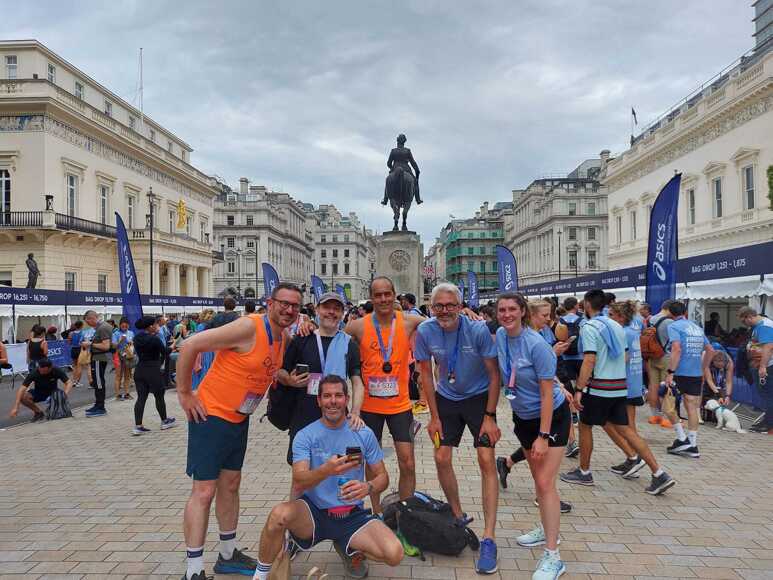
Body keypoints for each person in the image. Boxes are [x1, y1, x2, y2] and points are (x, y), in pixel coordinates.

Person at [175, 283, 303, 580]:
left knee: (231, 485)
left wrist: (287, 379)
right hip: (210, 416)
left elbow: (267, 367)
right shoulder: (249, 327)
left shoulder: (282, 337)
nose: (289, 310)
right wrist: (185, 393)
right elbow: (190, 345)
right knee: (204, 491)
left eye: (295, 306)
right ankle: (193, 570)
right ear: (270, 303)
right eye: (284, 303)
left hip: (238, 419)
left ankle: (227, 554)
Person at [254, 376, 403, 579]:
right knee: (278, 516)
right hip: (313, 513)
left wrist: (368, 487)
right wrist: (327, 470)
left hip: (351, 516)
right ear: (319, 400)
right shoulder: (306, 435)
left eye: (338, 395)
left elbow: (382, 477)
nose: (333, 401)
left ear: (347, 399)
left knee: (394, 553)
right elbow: (299, 479)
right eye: (327, 396)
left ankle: (350, 548)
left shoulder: (362, 433)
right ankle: (260, 575)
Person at [415, 282, 501, 574]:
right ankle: (457, 516)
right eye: (438, 306)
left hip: (479, 400)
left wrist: (490, 416)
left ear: (460, 306)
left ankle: (489, 537)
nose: (444, 310)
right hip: (446, 400)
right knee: (441, 457)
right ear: (431, 307)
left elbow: (494, 374)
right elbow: (426, 375)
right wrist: (433, 416)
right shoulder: (425, 330)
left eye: (450, 305)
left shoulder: (477, 330)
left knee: (486, 459)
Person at [561, 290, 675, 495]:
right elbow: (624, 357)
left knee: (585, 427)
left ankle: (584, 472)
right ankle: (659, 473)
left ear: (587, 305)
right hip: (619, 386)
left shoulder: (589, 327)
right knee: (627, 430)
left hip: (598, 387)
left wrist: (579, 388)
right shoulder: (617, 326)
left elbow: (589, 359)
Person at [492, 293, 569, 580]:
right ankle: (547, 528)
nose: (507, 314)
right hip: (522, 418)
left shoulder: (536, 344)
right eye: (502, 310)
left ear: (523, 311)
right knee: (539, 481)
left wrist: (544, 436)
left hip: (551, 418)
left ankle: (553, 556)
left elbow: (548, 394)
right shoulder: (502, 335)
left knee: (545, 482)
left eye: (512, 309)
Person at [343, 277, 424, 514]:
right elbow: (332, 339)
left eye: (387, 294)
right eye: (378, 295)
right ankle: (377, 512)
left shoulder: (409, 321)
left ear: (394, 294)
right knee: (372, 463)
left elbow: (442, 322)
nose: (383, 299)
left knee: (408, 462)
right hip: (369, 407)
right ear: (371, 297)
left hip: (400, 406)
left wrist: (466, 313)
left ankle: (406, 513)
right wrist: (307, 325)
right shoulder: (358, 326)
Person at [278, 292, 365, 470]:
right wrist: (290, 380)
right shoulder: (302, 338)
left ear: (342, 313)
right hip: (304, 416)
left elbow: (357, 381)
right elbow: (280, 371)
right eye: (326, 307)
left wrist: (355, 412)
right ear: (317, 310)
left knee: (338, 467)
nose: (331, 312)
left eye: (337, 309)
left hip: (337, 415)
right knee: (302, 471)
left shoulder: (349, 344)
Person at [663, 301, 715, 457]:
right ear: (685, 312)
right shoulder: (697, 328)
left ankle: (682, 438)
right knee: (692, 407)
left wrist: (670, 372)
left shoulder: (673, 326)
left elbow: (676, 348)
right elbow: (710, 350)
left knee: (667, 405)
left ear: (669, 312)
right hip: (695, 373)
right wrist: (703, 368)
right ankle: (692, 445)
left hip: (680, 372)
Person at [132, 316, 176, 436]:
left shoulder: (136, 338)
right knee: (159, 396)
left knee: (141, 398)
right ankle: (164, 421)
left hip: (140, 369)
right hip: (152, 370)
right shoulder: (154, 339)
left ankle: (138, 426)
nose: (158, 326)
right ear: (151, 326)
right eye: (156, 324)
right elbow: (165, 352)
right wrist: (173, 345)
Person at [738, 307, 773, 434]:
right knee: (765, 395)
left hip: (768, 366)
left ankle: (769, 423)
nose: (744, 324)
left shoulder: (764, 326)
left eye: (744, 321)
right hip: (760, 365)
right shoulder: (759, 326)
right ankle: (767, 420)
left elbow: (768, 347)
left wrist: (763, 366)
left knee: (768, 395)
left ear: (749, 317)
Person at [645, 300, 676, 428]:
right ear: (669, 309)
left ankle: (655, 415)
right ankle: (666, 418)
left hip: (652, 356)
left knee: (653, 386)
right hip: (665, 357)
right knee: (666, 387)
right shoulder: (670, 322)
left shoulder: (650, 319)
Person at [82, 311, 113, 417]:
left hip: (99, 358)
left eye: (88, 322)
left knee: (99, 382)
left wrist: (90, 344)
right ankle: (98, 405)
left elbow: (106, 346)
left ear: (91, 318)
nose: (88, 324)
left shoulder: (102, 327)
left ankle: (100, 407)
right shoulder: (101, 327)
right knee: (97, 382)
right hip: (98, 357)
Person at [112, 317, 135, 400]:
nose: (124, 328)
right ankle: (117, 395)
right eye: (123, 326)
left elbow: (133, 343)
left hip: (128, 355)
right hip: (118, 355)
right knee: (118, 375)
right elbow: (113, 346)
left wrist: (131, 343)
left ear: (128, 325)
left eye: (126, 326)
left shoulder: (131, 333)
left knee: (127, 375)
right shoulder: (116, 333)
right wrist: (120, 340)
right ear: (120, 325)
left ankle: (127, 393)